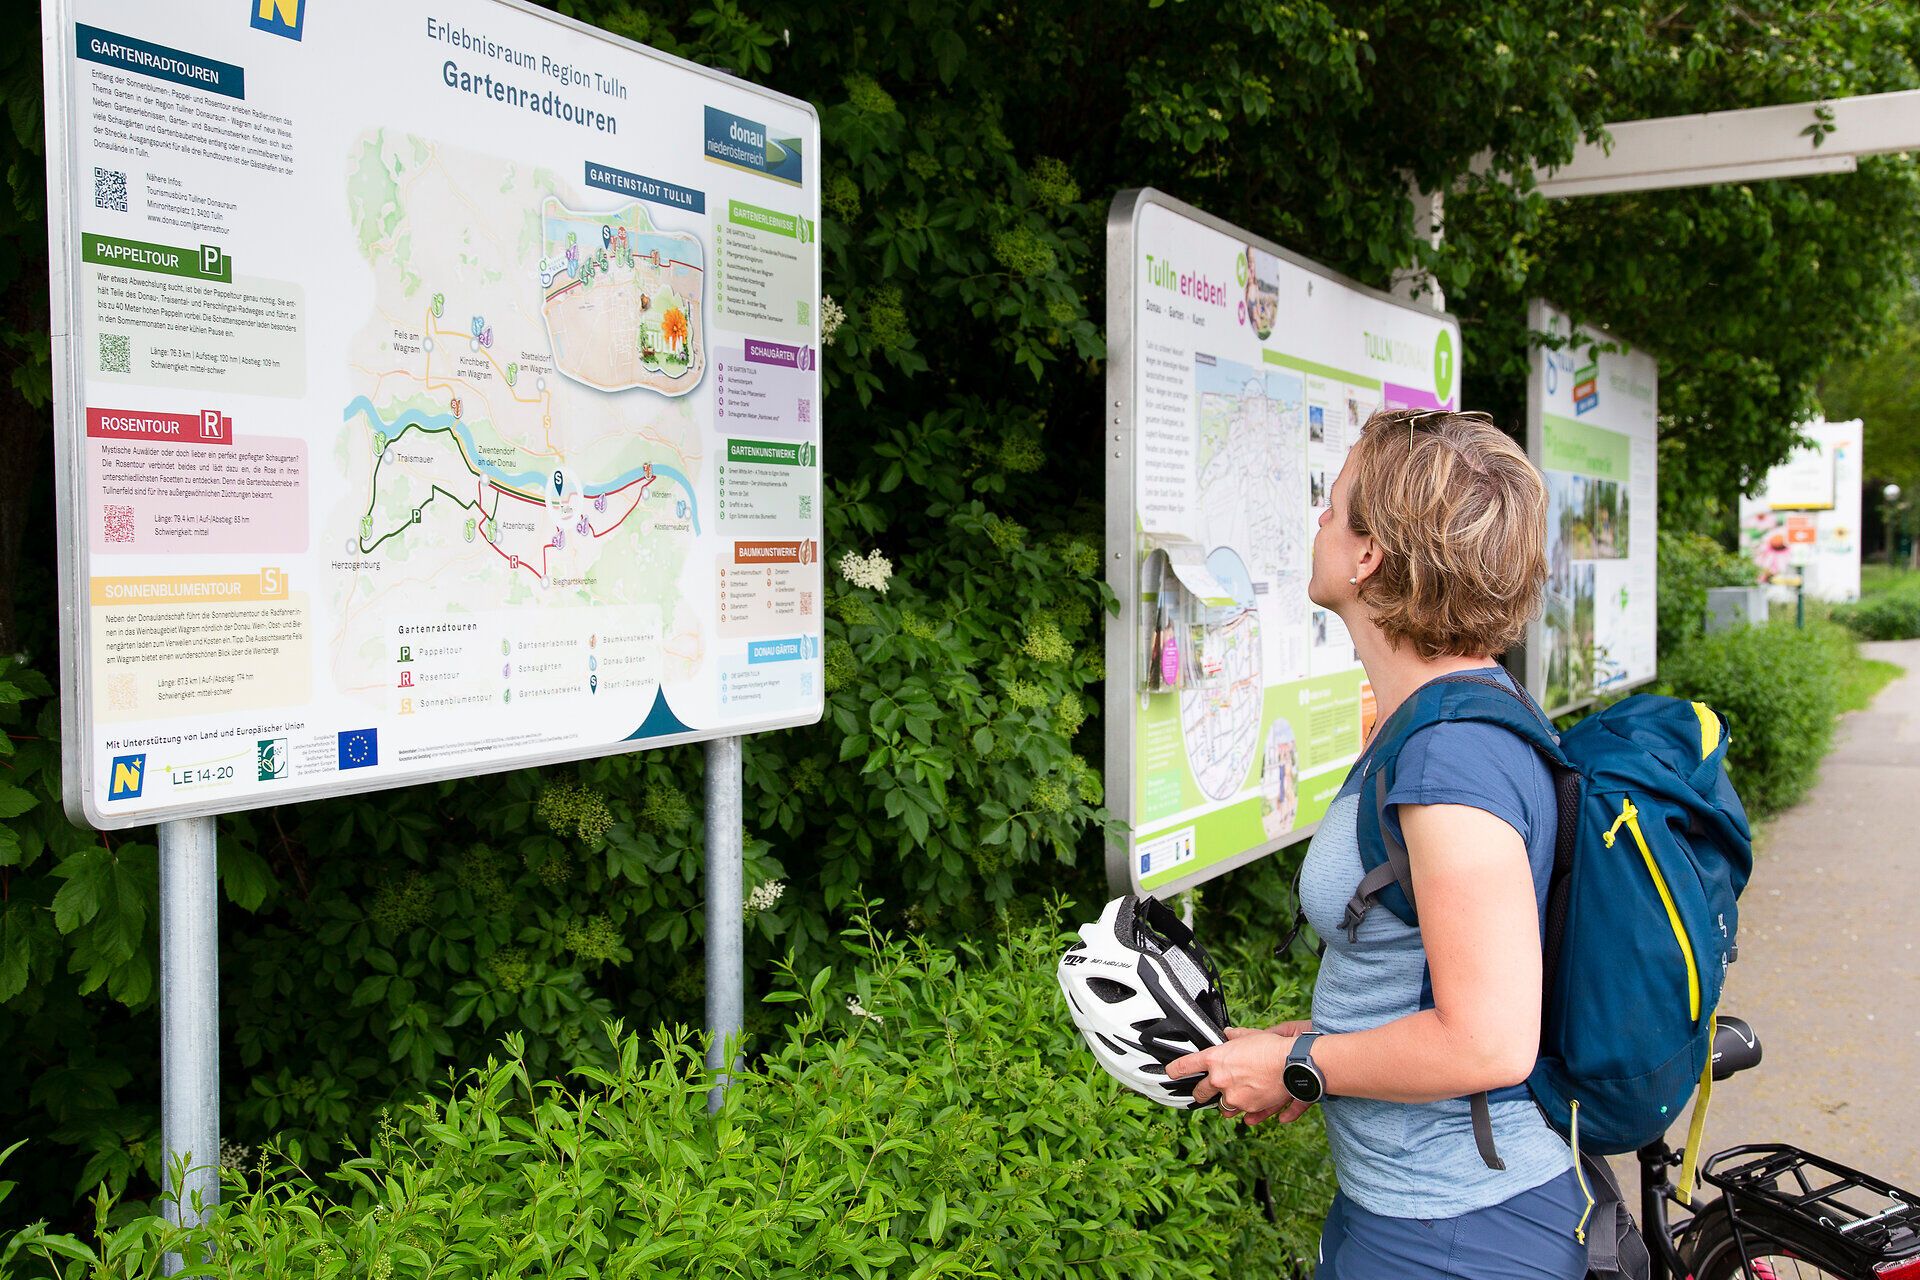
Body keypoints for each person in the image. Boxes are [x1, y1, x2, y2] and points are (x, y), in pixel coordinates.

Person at [1166, 408, 1585, 1280]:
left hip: (1459, 1231)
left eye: (1333, 503)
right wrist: (1308, 1041)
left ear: (1369, 557)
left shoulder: (1450, 759)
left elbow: (1489, 1042)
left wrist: (1303, 1067)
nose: (1318, 521)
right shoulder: (1453, 716)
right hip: (1415, 1210)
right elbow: (1437, 967)